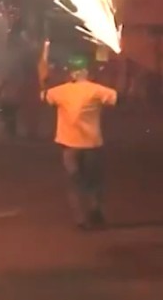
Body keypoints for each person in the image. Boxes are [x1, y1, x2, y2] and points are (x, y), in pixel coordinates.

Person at [43, 55, 118, 230]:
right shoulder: (97, 90)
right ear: (87, 72)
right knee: (94, 181)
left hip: (69, 145)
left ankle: (80, 220)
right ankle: (95, 209)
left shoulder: (59, 91)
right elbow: (116, 97)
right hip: (92, 144)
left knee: (74, 182)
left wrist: (44, 79)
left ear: (71, 73)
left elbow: (44, 96)